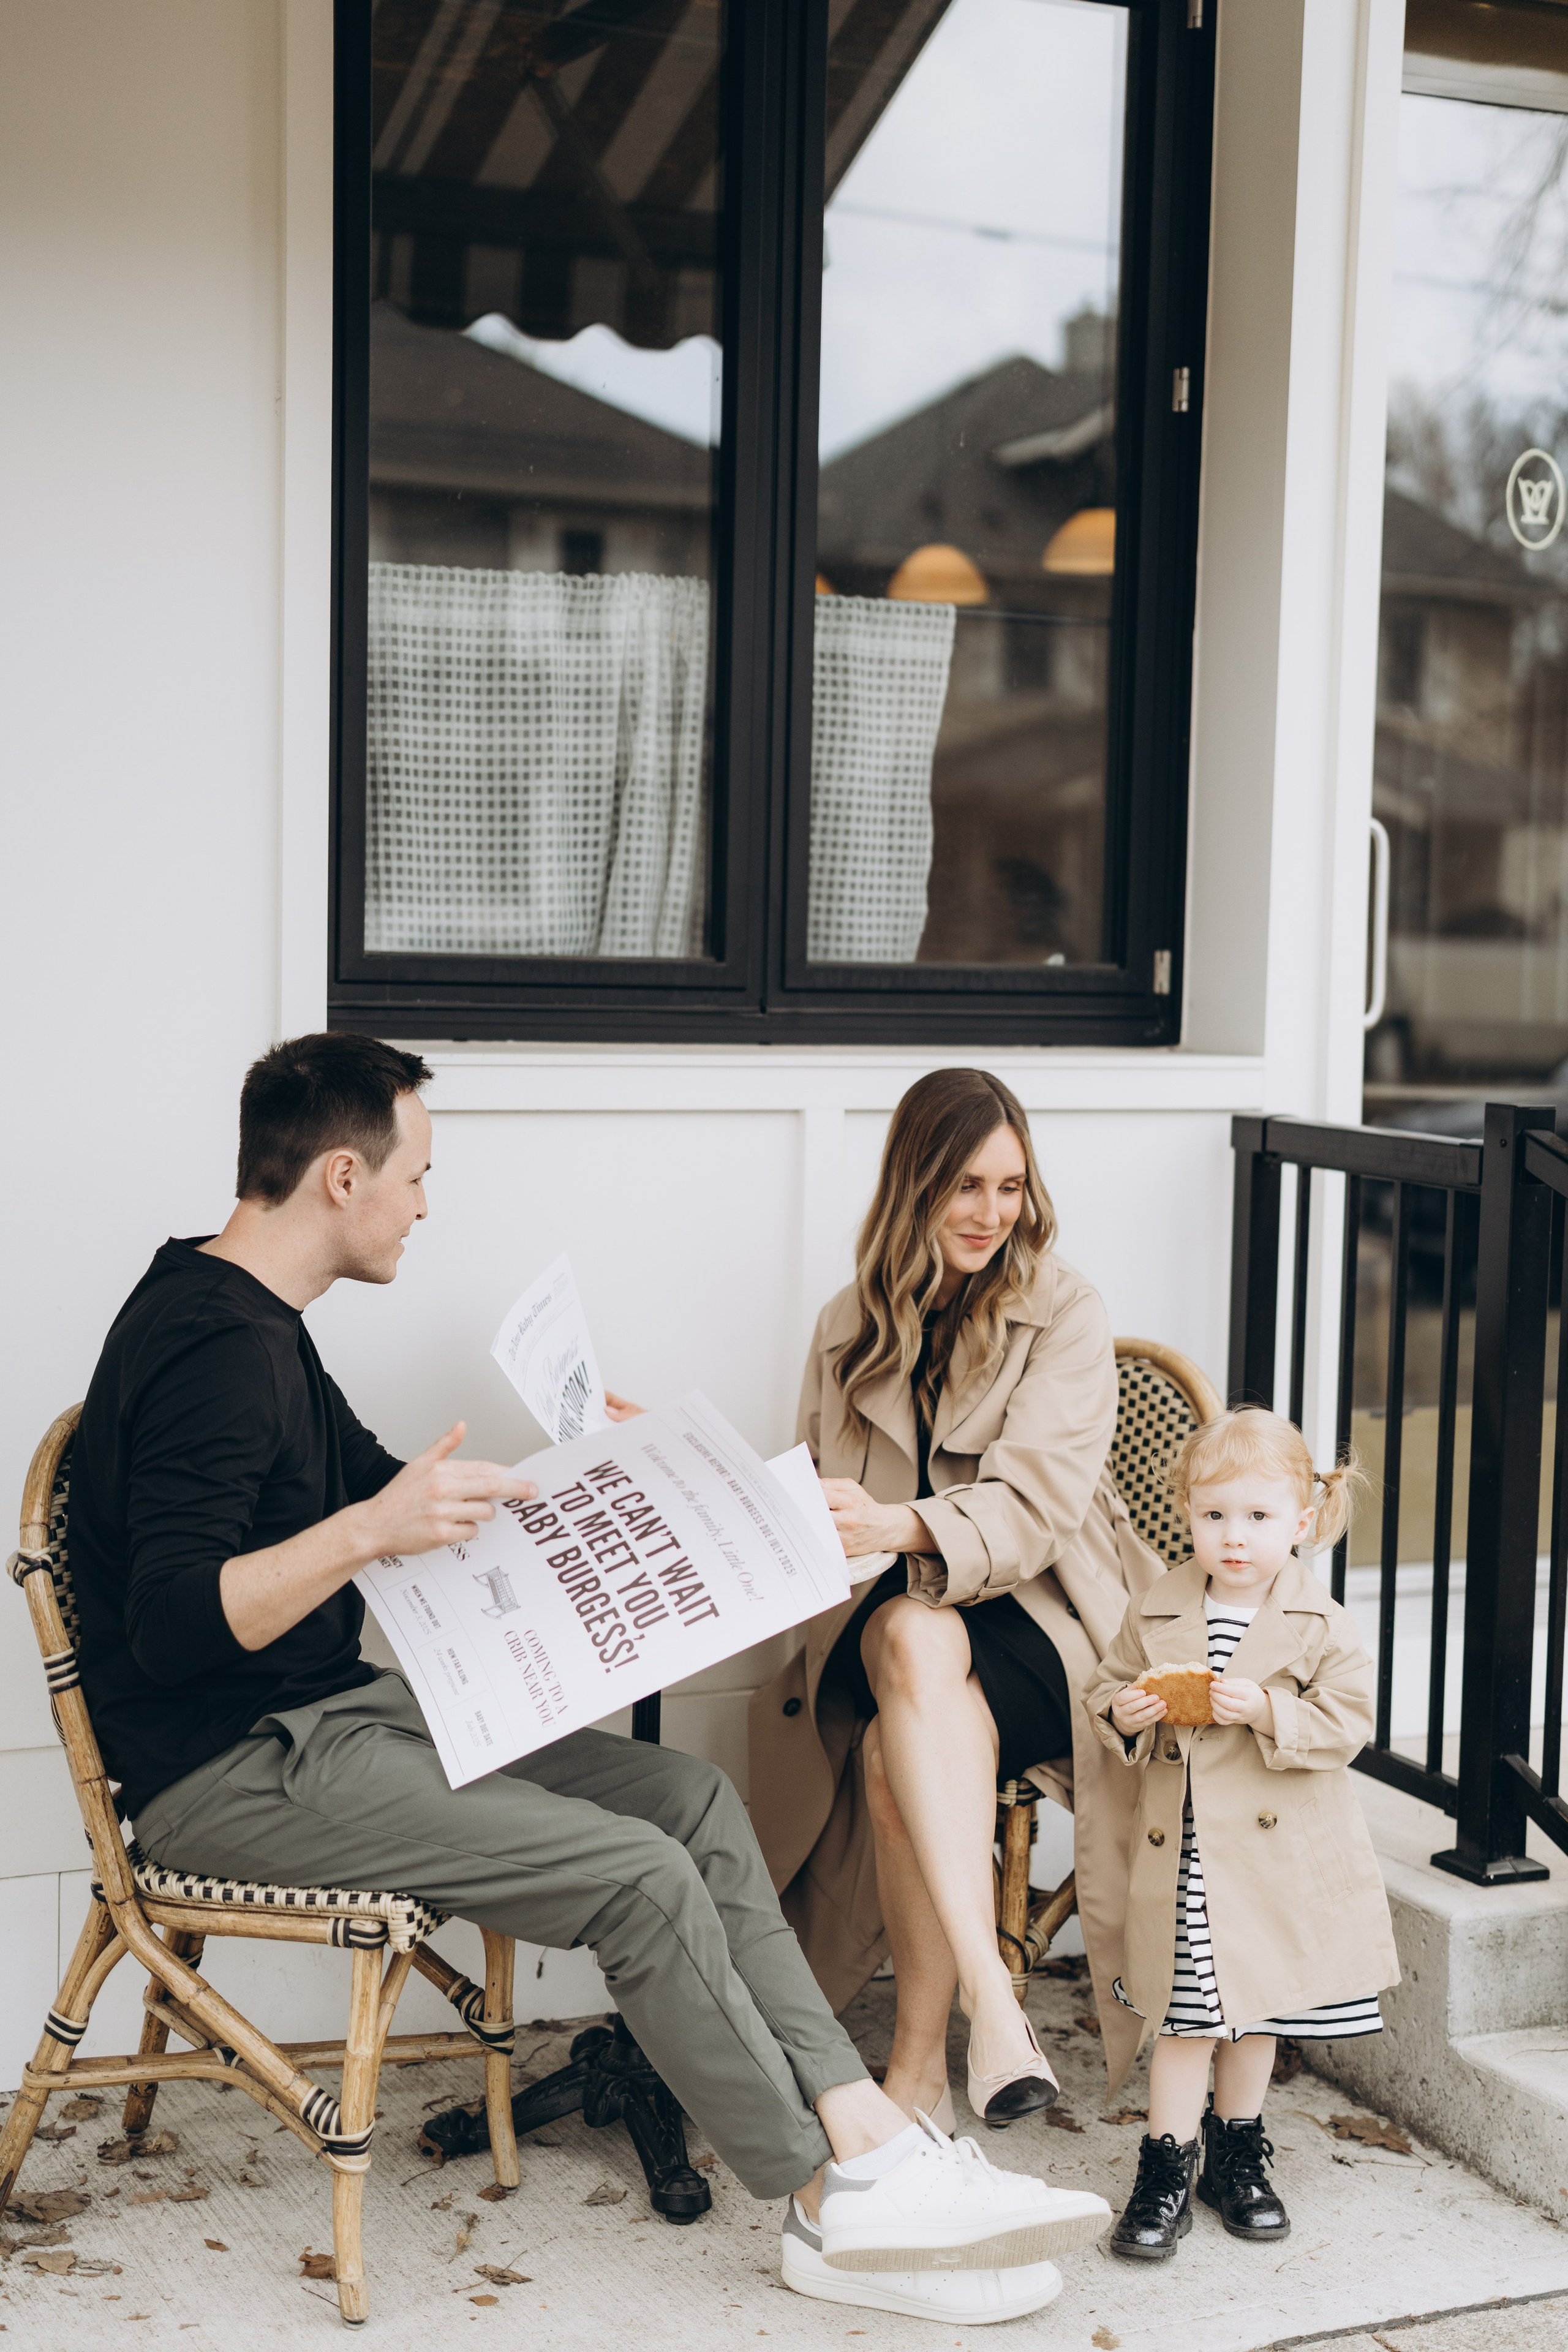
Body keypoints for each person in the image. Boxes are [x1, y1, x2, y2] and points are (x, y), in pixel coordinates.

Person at [69, 1031, 1109, 2327]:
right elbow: (174, 1625)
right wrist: (363, 1534)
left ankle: (870, 2139)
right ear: (342, 1176)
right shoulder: (207, 1347)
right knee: (640, 1878)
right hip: (231, 1770)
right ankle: (829, 2202)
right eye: (418, 1173)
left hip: (334, 1722)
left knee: (686, 1803)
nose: (426, 1204)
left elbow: (386, 1487)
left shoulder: (263, 1326)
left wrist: (612, 1477)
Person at [750, 1067, 1164, 2134]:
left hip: (1036, 1617)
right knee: (907, 1636)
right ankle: (992, 2004)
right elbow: (812, 1492)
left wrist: (902, 1526)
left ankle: (925, 2070)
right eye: (966, 1187)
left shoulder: (1065, 1310)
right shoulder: (852, 1322)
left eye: (1011, 1188)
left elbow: (1035, 1508)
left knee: (901, 1724)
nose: (992, 1214)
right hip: (895, 1619)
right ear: (916, 1184)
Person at [1083, 1408, 1398, 2261]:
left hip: (1267, 1864)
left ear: (1301, 1522)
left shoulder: (1320, 1620)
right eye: (1215, 1515)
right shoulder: (1158, 1607)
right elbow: (1108, 1688)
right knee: (1184, 2019)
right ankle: (1163, 2168)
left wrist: (1267, 1709)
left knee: (1252, 2016)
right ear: (1186, 1513)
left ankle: (1237, 2156)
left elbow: (1348, 1723)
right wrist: (1127, 1711)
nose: (1234, 1537)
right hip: (1186, 1857)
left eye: (1258, 1518)